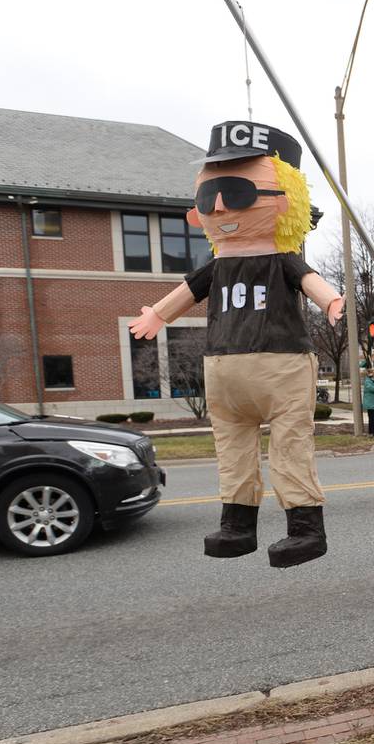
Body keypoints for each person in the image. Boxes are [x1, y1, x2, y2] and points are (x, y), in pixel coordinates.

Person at [129, 121, 344, 569]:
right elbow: (187, 291)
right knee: (232, 454)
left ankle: (306, 531)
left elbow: (311, 282)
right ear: (198, 210)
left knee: (290, 450)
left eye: (239, 193)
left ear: (282, 201)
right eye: (210, 197)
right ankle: (238, 527)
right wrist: (155, 314)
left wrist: (333, 302)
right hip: (225, 369)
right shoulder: (217, 265)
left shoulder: (281, 258)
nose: (221, 204)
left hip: (280, 364)